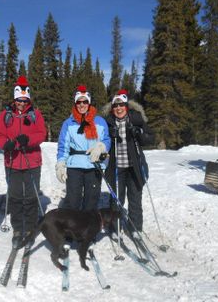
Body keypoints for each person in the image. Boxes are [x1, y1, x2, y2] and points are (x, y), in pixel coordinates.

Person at [0, 76, 47, 248]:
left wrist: (28, 140)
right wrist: (6, 144)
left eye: (25, 101)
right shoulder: (5, 115)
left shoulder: (35, 114)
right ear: (15, 99)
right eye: (19, 100)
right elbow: (0, 136)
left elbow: (41, 134)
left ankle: (30, 230)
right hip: (12, 161)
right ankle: (18, 229)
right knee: (16, 197)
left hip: (31, 161)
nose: (22, 104)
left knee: (31, 196)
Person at [101, 89, 154, 239]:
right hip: (116, 167)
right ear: (112, 108)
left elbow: (151, 138)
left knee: (135, 198)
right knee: (116, 199)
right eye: (115, 106)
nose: (118, 108)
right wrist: (110, 136)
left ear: (127, 106)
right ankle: (114, 227)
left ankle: (135, 228)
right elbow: (101, 140)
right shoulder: (108, 122)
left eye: (121, 105)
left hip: (135, 167)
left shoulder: (136, 119)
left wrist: (139, 133)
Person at [56, 85, 110, 211]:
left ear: (89, 103)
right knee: (72, 201)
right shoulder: (68, 123)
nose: (82, 104)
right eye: (79, 102)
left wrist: (101, 146)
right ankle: (71, 228)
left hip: (94, 164)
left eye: (85, 101)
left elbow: (106, 140)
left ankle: (87, 229)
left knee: (91, 201)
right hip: (74, 166)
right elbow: (63, 146)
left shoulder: (100, 121)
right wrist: (60, 164)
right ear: (75, 103)